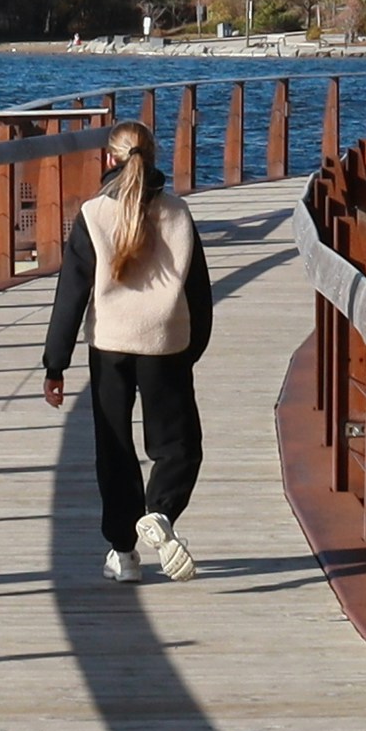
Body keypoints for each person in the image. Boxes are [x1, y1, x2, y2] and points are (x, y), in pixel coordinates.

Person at [33, 119, 211, 582]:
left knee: (114, 448)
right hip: (166, 343)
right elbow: (199, 292)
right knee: (178, 446)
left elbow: (70, 295)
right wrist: (191, 350)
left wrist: (55, 364)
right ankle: (161, 512)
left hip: (110, 345)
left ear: (108, 160)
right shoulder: (178, 213)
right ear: (153, 156)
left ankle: (124, 553)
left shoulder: (93, 215)